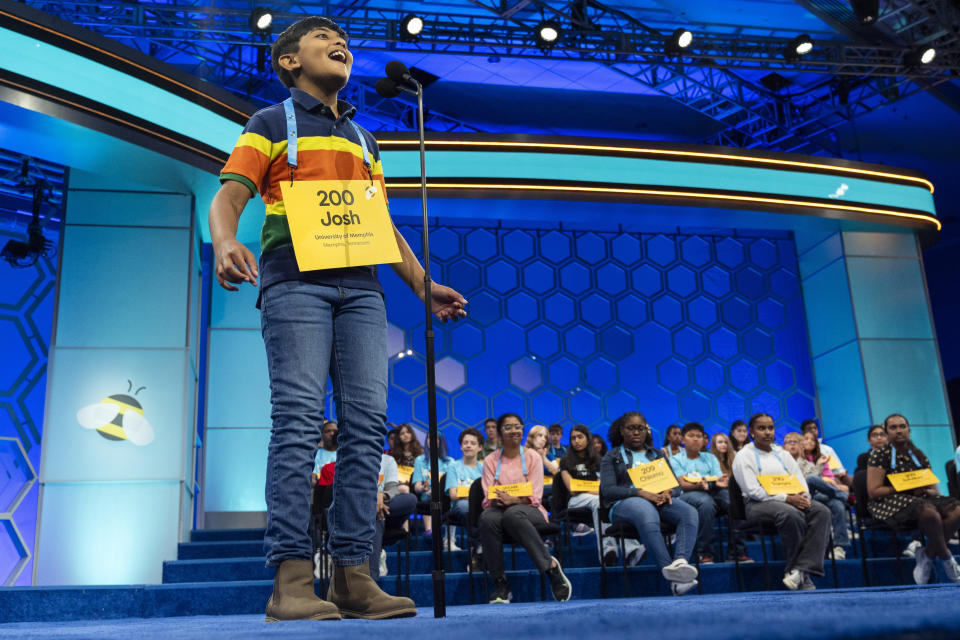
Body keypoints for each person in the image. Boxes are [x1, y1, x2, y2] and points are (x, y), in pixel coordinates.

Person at [210, 15, 467, 621]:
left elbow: (381, 224)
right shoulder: (270, 122)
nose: (338, 43)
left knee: (365, 429)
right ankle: (292, 580)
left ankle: (355, 575)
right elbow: (230, 192)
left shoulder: (363, 138)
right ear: (289, 62)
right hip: (294, 280)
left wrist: (424, 285)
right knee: (300, 422)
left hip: (362, 290)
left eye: (343, 40)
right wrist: (224, 240)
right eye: (321, 38)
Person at [600, 412, 700, 596]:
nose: (637, 432)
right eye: (631, 428)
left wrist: (668, 491)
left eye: (641, 428)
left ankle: (679, 563)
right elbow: (608, 491)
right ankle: (673, 576)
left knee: (689, 512)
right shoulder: (612, 456)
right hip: (625, 504)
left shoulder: (656, 454)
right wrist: (640, 493)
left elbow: (676, 487)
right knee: (646, 511)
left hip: (660, 501)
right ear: (622, 431)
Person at [731, 413, 831, 591]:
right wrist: (787, 498)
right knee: (790, 513)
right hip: (757, 504)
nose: (767, 432)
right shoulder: (743, 456)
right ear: (751, 432)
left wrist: (803, 496)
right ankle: (799, 573)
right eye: (762, 428)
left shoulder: (782, 454)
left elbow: (800, 482)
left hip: (791, 500)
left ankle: (801, 570)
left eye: (770, 428)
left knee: (821, 511)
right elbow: (753, 491)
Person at [479, 413, 572, 604]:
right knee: (486, 518)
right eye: (508, 427)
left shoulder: (533, 458)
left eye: (518, 426)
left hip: (530, 511)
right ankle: (500, 583)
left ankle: (550, 567)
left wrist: (514, 500)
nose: (514, 431)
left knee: (513, 513)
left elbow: (535, 497)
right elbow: (489, 495)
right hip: (499, 511)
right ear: (499, 433)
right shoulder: (490, 460)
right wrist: (499, 500)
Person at [866, 413, 960, 584]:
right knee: (929, 512)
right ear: (886, 432)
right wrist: (905, 488)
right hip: (888, 502)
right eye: (893, 427)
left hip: (920, 499)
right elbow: (873, 491)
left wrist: (928, 491)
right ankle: (947, 559)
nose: (899, 431)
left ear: (909, 430)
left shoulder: (918, 454)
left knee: (957, 509)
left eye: (902, 426)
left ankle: (927, 555)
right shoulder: (880, 455)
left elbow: (933, 490)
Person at [559, 425, 642, 565]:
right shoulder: (566, 461)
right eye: (573, 438)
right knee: (600, 501)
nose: (576, 441)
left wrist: (587, 487)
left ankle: (631, 551)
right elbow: (572, 489)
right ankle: (607, 550)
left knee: (615, 502)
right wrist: (595, 489)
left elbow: (605, 486)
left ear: (587, 439)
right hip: (575, 500)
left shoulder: (599, 460)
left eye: (580, 437)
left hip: (597, 497)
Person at [669, 423, 724, 563]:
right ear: (683, 439)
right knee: (705, 503)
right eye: (691, 436)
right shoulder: (675, 459)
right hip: (686, 495)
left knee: (732, 499)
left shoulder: (710, 457)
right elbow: (682, 484)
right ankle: (704, 552)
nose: (695, 439)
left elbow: (717, 478)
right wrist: (699, 485)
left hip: (711, 490)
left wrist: (721, 481)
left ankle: (738, 551)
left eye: (699, 436)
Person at [800, 431, 851, 558]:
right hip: (808, 494)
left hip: (824, 494)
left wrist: (826, 479)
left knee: (837, 504)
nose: (810, 441)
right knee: (812, 479)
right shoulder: (798, 459)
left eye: (812, 440)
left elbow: (829, 477)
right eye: (806, 439)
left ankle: (839, 546)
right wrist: (819, 469)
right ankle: (842, 495)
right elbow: (806, 479)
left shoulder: (821, 457)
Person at [370, 453, 417, 579]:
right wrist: (374, 498)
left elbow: (392, 488)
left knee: (410, 499)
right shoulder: (353, 457)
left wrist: (381, 496)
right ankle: (372, 577)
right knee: (375, 514)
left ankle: (383, 533)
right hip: (361, 505)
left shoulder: (388, 460)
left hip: (384, 503)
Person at [709, 432, 751, 562]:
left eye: (725, 442)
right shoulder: (709, 459)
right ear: (714, 445)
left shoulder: (735, 458)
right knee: (733, 503)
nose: (723, 445)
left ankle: (736, 553)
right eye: (720, 442)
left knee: (739, 501)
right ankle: (738, 552)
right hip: (715, 492)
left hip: (732, 492)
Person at [445, 428, 484, 553]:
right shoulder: (453, 466)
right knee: (466, 506)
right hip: (460, 506)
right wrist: (474, 497)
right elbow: (453, 495)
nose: (468, 446)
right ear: (461, 447)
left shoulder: (485, 467)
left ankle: (481, 548)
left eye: (472, 443)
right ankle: (479, 547)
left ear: (480, 448)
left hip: (483, 505)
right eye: (465, 443)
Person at [411, 433, 452, 537]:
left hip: (445, 496)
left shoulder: (450, 462)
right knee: (430, 495)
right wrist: (423, 488)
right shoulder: (420, 460)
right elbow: (416, 487)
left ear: (441, 441)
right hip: (427, 494)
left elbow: (452, 485)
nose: (432, 440)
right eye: (429, 438)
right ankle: (429, 531)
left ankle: (450, 538)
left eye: (436, 438)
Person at [801, 419, 852, 489]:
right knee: (838, 484)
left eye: (815, 428)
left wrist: (842, 472)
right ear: (803, 432)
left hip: (834, 475)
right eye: (809, 428)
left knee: (850, 479)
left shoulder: (827, 449)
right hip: (820, 478)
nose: (813, 430)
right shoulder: (801, 452)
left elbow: (839, 468)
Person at [525, 424, 560, 504]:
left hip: (546, 486)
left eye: (545, 437)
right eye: (540, 435)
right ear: (532, 436)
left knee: (552, 498)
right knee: (559, 488)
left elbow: (556, 471)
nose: (543, 439)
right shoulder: (524, 453)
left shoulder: (548, 454)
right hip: (529, 487)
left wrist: (543, 458)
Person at [391, 423, 422, 493]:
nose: (405, 435)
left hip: (416, 484)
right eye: (402, 433)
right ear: (398, 437)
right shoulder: (394, 454)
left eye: (408, 432)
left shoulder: (420, 452)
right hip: (399, 485)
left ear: (412, 434)